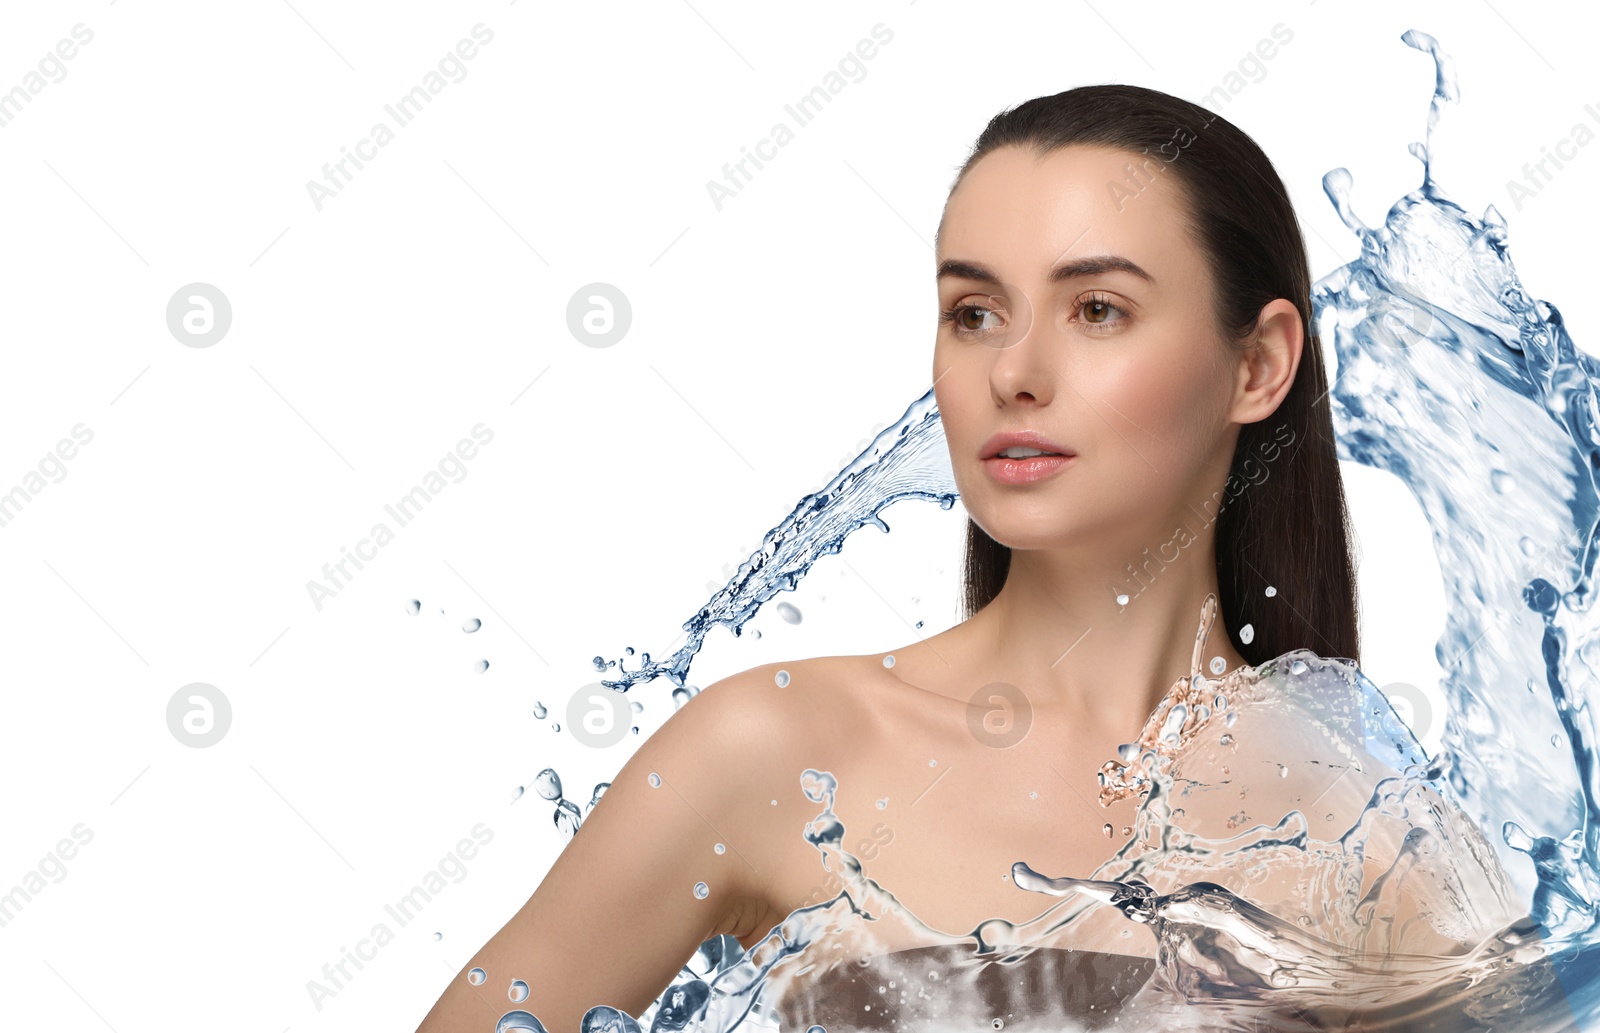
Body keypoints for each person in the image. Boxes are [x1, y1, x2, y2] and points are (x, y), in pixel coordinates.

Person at [414, 83, 1381, 1033]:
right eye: (974, 312)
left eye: (1096, 309)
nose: (1013, 372)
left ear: (1258, 365)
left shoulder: (1367, 820)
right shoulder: (780, 752)